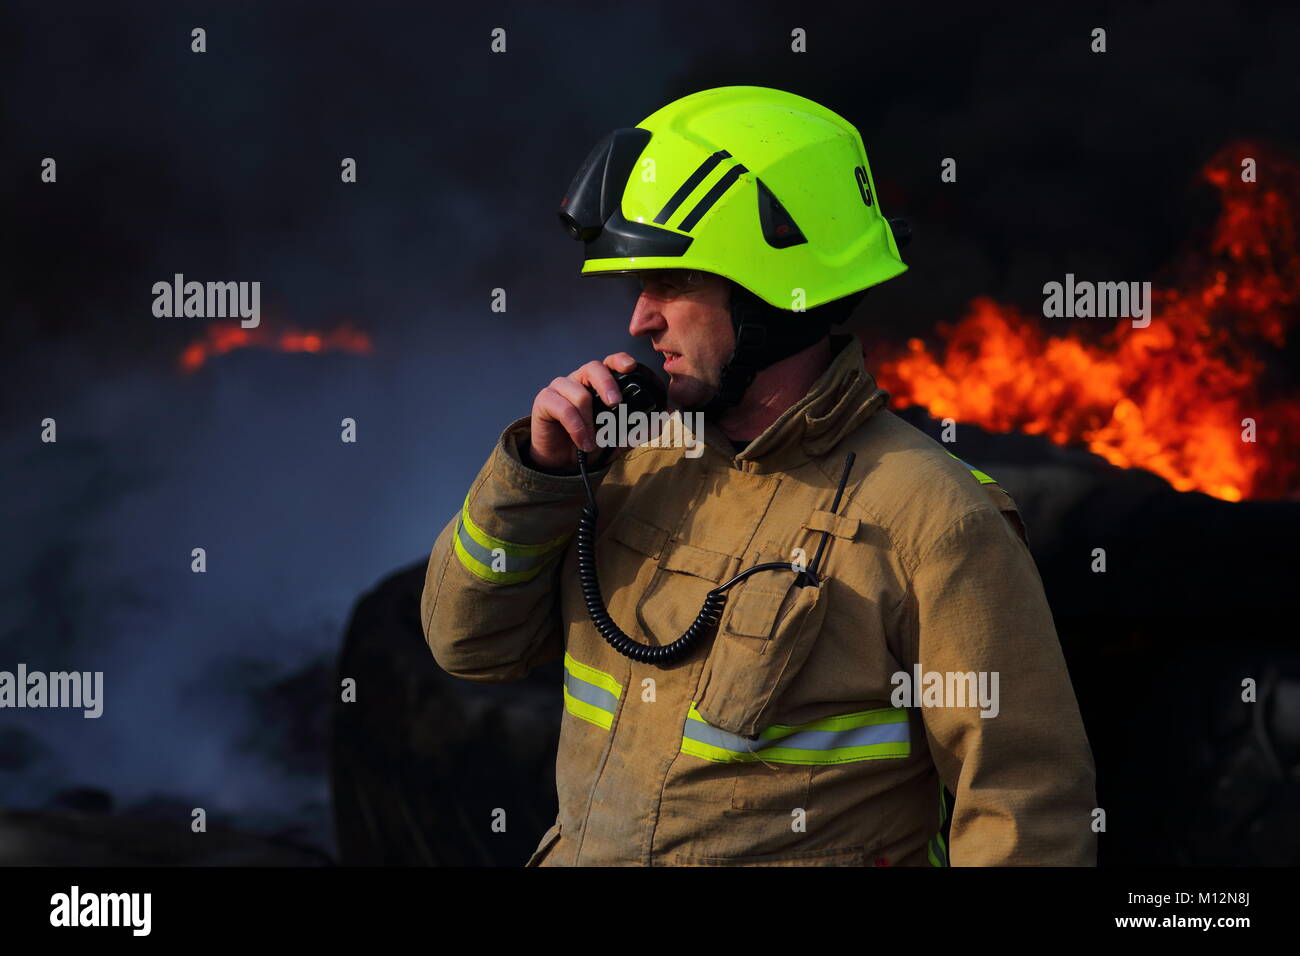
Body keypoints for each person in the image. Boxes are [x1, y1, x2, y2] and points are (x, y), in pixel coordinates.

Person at [421, 86, 1096, 866]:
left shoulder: (931, 519)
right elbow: (467, 646)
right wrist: (536, 475)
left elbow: (1024, 811)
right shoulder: (628, 461)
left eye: (671, 285)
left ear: (774, 289)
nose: (639, 322)